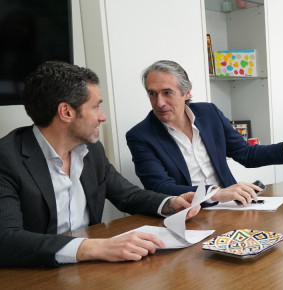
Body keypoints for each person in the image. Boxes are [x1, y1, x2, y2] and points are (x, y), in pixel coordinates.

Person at [0, 61, 201, 268]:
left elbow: (128, 196)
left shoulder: (91, 150)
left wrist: (170, 204)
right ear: (66, 112)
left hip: (89, 269)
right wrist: (94, 247)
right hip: (36, 272)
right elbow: (6, 239)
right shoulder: (7, 158)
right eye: (96, 106)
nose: (102, 116)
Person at [126, 60, 283, 205]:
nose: (159, 102)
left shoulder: (209, 114)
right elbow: (160, 188)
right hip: (189, 214)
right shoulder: (141, 136)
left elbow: (246, 154)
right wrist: (214, 193)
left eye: (167, 93)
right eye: (152, 94)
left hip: (233, 205)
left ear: (186, 93)